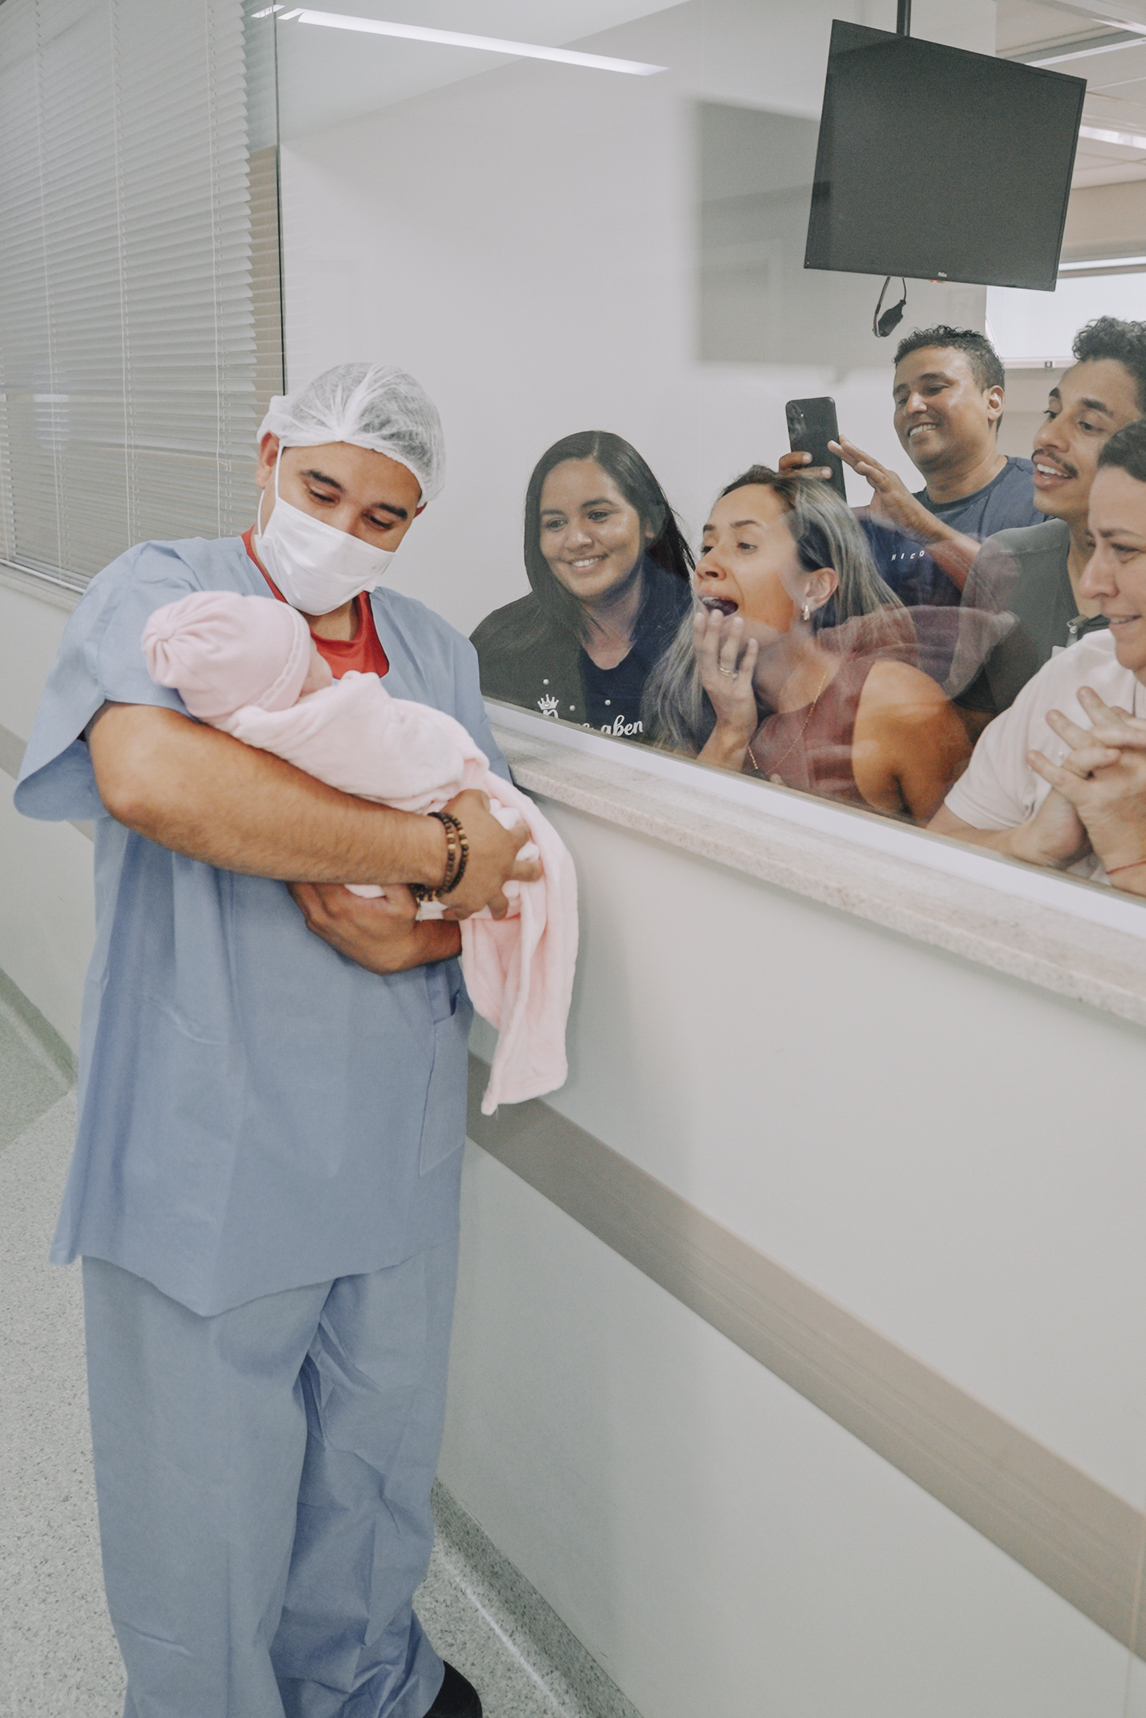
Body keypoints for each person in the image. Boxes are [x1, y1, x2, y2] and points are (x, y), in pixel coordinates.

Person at [14, 361, 540, 1718]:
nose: (343, 530)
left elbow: (498, 872)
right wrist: (426, 851)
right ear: (267, 456)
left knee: (374, 1445)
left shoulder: (435, 652)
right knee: (201, 1481)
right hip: (206, 1128)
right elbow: (154, 776)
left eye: (382, 513)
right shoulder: (166, 589)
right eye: (321, 489)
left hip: (389, 1122)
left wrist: (432, 917)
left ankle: (364, 1682)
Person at [141, 587, 578, 1117]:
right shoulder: (169, 588)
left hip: (400, 1047)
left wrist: (420, 937)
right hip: (246, 1035)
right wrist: (450, 834)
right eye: (308, 653)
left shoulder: (437, 645)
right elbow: (144, 781)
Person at [929, 397, 1146, 910]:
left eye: (1125, 549)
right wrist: (1030, 844)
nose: (1093, 584)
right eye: (1094, 546)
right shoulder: (1080, 675)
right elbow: (933, 859)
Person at [643, 467, 970, 821]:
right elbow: (668, 835)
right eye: (707, 546)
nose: (706, 564)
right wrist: (730, 732)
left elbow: (966, 848)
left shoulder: (894, 702)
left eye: (745, 545)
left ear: (814, 589)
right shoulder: (686, 695)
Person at [957, 318, 1146, 713]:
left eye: (1087, 425)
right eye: (1051, 412)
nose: (1045, 437)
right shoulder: (1005, 562)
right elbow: (969, 724)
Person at [782, 324, 1039, 605]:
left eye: (934, 388)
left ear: (993, 402)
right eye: (901, 398)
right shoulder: (883, 520)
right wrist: (787, 517)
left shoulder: (1041, 497)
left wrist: (921, 526)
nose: (912, 407)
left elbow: (1036, 604)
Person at [472, 429, 693, 739]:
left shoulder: (705, 643)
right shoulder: (500, 645)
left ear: (650, 522)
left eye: (598, 515)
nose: (576, 539)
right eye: (555, 523)